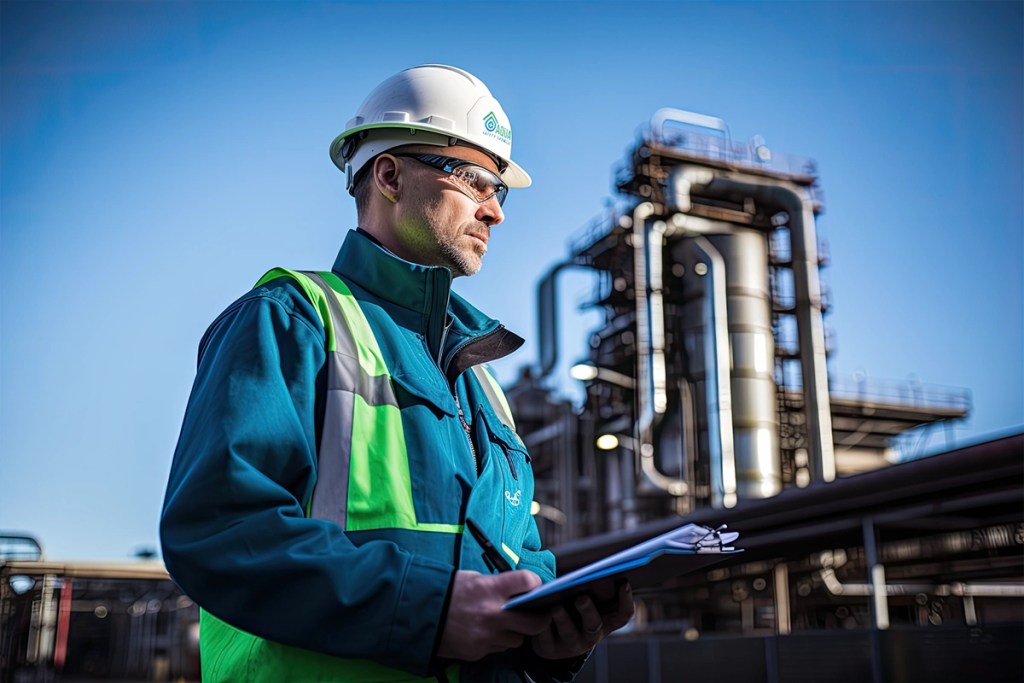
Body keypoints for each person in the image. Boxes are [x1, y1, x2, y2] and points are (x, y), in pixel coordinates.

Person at [160, 64, 633, 683]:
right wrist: (426, 612)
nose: (496, 213)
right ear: (388, 175)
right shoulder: (293, 321)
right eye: (477, 182)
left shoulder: (482, 382)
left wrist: (550, 637)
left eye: (503, 192)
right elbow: (220, 530)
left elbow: (517, 556)